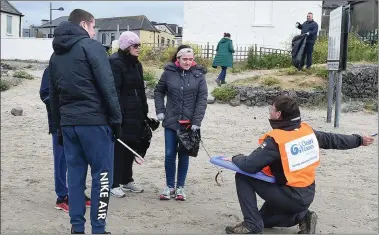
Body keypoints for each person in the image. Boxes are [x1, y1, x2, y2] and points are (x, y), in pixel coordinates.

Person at [223, 95, 375, 234]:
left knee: (242, 176)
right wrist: (359, 140)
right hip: (307, 193)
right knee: (264, 219)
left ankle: (251, 225)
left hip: (290, 196)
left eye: (272, 109)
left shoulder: (276, 140)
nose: (270, 112)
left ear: (279, 115)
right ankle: (303, 216)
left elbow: (249, 165)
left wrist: (236, 157)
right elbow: (333, 139)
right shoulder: (306, 131)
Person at [49, 9, 122, 234]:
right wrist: (116, 120)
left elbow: (54, 95)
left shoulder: (55, 55)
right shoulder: (91, 46)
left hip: (69, 124)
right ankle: (98, 229)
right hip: (94, 123)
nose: (94, 32)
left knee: (76, 177)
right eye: (93, 27)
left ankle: (77, 228)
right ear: (84, 25)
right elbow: (107, 86)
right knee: (102, 176)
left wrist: (57, 127)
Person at [154, 46, 208, 201]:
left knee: (184, 155)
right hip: (171, 121)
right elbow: (159, 91)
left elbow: (202, 99)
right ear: (177, 59)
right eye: (185, 59)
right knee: (170, 154)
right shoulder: (168, 73)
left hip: (189, 124)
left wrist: (197, 121)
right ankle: (169, 186)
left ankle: (180, 187)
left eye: (191, 59)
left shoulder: (199, 75)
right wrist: (160, 110)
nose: (188, 62)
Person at [39, 66, 91, 213]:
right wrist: (62, 107)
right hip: (59, 123)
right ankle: (62, 197)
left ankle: (78, 193)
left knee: (79, 159)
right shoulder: (52, 68)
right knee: (61, 160)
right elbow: (45, 94)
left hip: (79, 121)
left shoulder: (79, 67)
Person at [108, 31, 148, 198]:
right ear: (126, 47)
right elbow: (114, 90)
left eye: (139, 45)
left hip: (136, 111)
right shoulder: (115, 63)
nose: (138, 48)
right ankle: (114, 182)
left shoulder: (136, 64)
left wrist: (144, 110)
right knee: (119, 147)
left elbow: (140, 88)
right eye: (135, 45)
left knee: (131, 145)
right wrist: (118, 114)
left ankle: (127, 179)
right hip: (122, 112)